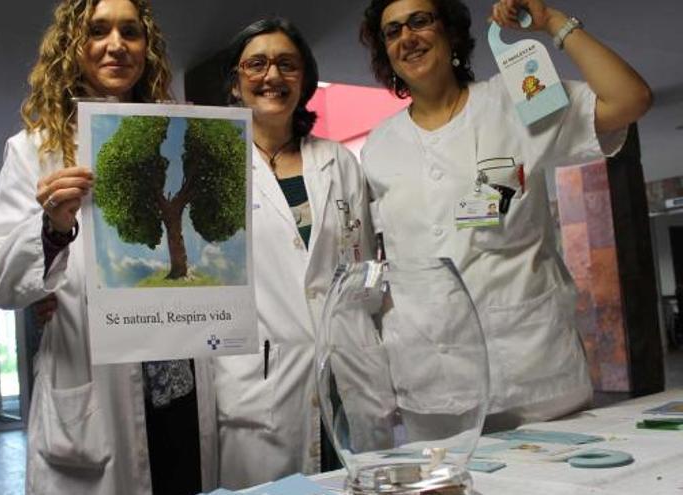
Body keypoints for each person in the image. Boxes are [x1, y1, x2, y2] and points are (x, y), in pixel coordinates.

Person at [359, 0, 651, 427]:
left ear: (451, 33)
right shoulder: (379, 146)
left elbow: (630, 99)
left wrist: (553, 22)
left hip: (531, 372)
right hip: (430, 382)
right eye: (393, 31)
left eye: (420, 21)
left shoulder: (514, 99)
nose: (408, 37)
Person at [0, 1, 215, 494]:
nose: (116, 45)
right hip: (94, 394)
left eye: (131, 32)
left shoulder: (183, 135)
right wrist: (53, 228)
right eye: (97, 31)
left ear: (148, 48)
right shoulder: (34, 150)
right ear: (72, 48)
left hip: (184, 388)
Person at [212, 18, 378, 489]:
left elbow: (360, 267)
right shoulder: (214, 168)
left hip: (348, 377)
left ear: (304, 80)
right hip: (261, 384)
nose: (272, 76)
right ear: (235, 80)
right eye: (257, 64)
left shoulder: (338, 161)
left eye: (288, 64)